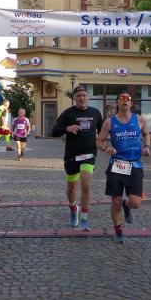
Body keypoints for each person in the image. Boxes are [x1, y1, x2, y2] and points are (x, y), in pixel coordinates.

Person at [97, 92, 151, 244]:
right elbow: (99, 141)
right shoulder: (109, 122)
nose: (125, 100)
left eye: (128, 99)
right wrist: (106, 148)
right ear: (117, 103)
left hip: (135, 165)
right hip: (117, 165)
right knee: (115, 201)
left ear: (131, 103)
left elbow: (146, 134)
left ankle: (126, 207)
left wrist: (147, 147)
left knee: (136, 203)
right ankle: (118, 230)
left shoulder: (139, 119)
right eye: (122, 99)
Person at [51, 86, 104, 231]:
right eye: (79, 95)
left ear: (88, 97)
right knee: (71, 187)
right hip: (72, 155)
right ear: (74, 98)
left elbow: (103, 132)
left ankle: (84, 219)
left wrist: (105, 145)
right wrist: (67, 128)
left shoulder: (95, 112)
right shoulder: (68, 113)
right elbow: (54, 131)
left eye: (84, 95)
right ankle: (73, 208)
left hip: (89, 154)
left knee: (86, 183)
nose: (82, 98)